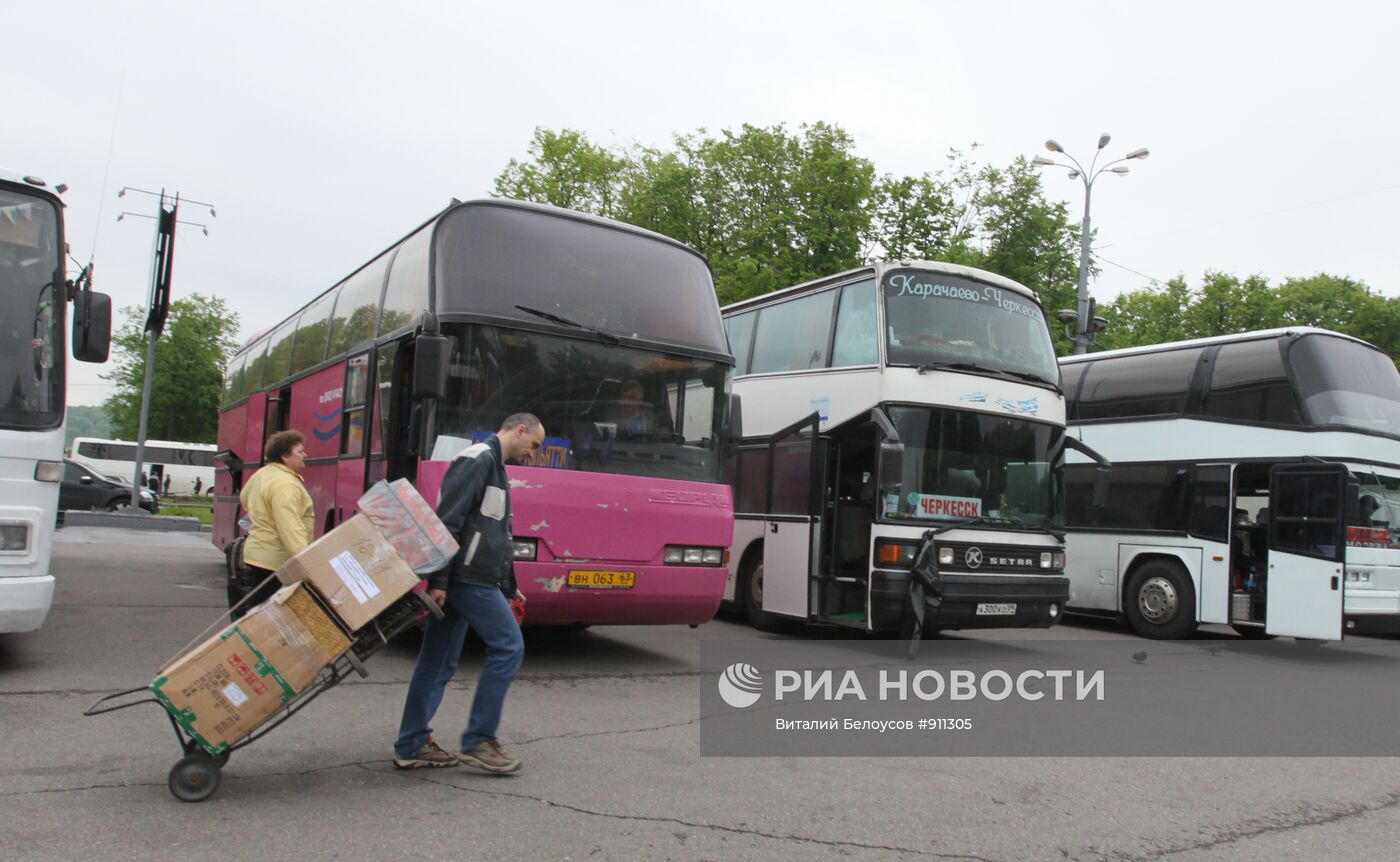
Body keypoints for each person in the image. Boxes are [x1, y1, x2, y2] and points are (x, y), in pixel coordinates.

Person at [394, 413, 544, 774]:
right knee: (509, 646)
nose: (533, 453)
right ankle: (479, 739)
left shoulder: (494, 464)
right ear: (519, 430)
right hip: (466, 577)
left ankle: (411, 743)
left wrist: (510, 585)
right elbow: (447, 522)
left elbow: (495, 532)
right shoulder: (477, 460)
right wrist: (440, 581)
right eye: (534, 445)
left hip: (472, 577)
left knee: (437, 661)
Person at [230, 430, 314, 615]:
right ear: (285, 456)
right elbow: (290, 527)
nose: (305, 455)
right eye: (300, 451)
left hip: (257, 553)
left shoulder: (263, 473)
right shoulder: (286, 486)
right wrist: (305, 560)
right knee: (264, 616)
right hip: (274, 560)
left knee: (256, 609)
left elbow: (245, 499)